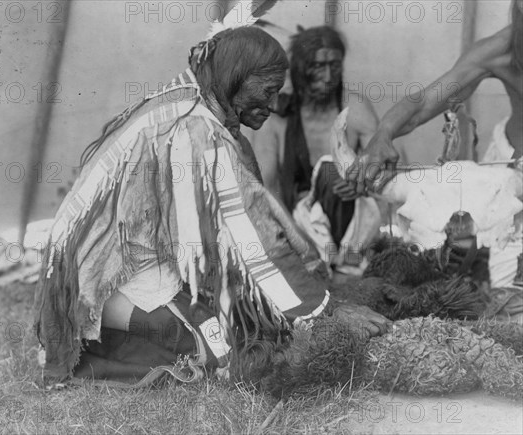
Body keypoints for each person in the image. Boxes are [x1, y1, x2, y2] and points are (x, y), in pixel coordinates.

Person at [33, 26, 390, 388]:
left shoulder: (192, 102)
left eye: (276, 93)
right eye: (267, 91)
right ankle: (86, 345)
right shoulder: (198, 130)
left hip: (125, 264)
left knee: (246, 321)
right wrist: (327, 310)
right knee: (221, 347)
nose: (271, 104)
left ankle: (117, 334)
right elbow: (253, 240)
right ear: (237, 77)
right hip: (92, 281)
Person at [347, 0, 522, 318]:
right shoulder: (495, 50)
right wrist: (384, 133)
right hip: (507, 169)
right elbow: (426, 101)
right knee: (500, 292)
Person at [246, 25, 381, 270]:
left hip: (349, 232)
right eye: (318, 66)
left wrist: (362, 183)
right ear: (299, 69)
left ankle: (342, 259)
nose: (328, 77)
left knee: (331, 173)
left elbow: (384, 168)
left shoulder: (355, 108)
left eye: (335, 66)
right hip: (292, 227)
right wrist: (302, 243)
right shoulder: (276, 116)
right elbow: (266, 189)